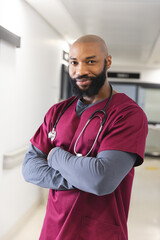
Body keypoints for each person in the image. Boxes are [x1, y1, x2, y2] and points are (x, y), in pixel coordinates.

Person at [22, 35, 148, 240]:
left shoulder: (127, 114)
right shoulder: (58, 111)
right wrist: (80, 177)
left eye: (91, 61)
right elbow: (29, 168)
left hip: (97, 233)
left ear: (107, 62)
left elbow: (101, 180)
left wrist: (54, 156)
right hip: (53, 230)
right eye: (74, 62)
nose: (80, 71)